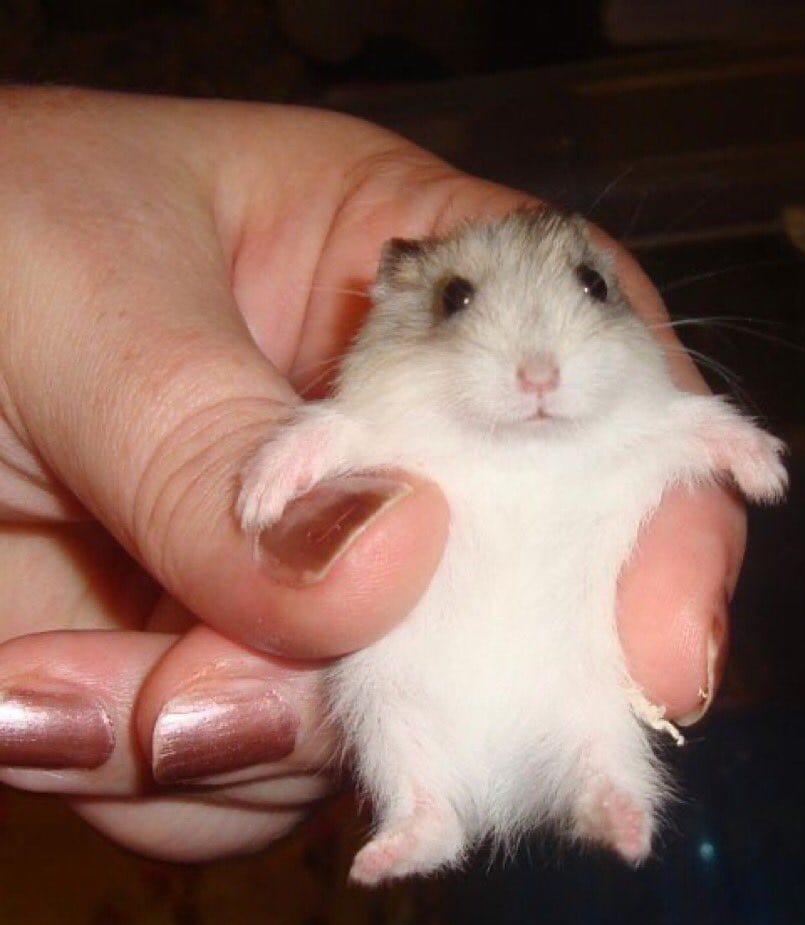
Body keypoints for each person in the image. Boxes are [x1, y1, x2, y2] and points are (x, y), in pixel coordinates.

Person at [0, 86, 744, 862]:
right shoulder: (385, 401)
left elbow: (674, 429)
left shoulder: (635, 398)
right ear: (395, 292)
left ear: (610, 292)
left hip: (562, 642)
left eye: (587, 288)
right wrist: (269, 453)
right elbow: (347, 428)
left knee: (599, 679)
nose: (538, 368)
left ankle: (606, 787)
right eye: (459, 298)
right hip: (422, 645)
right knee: (380, 683)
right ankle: (423, 810)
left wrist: (718, 437)